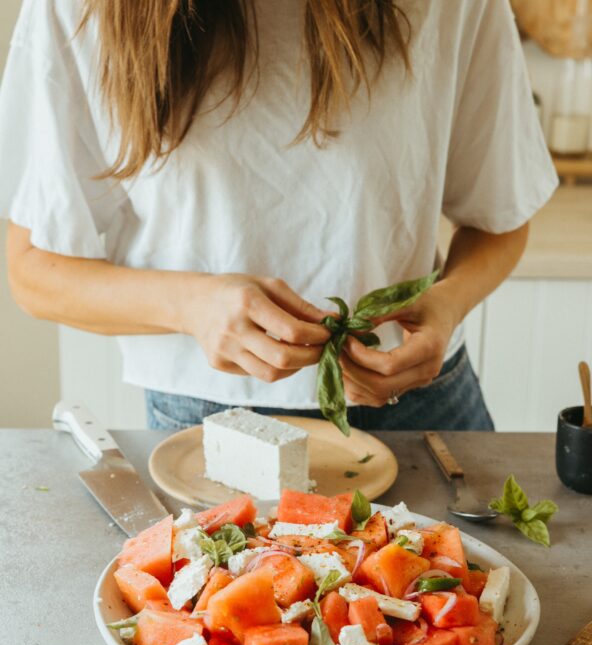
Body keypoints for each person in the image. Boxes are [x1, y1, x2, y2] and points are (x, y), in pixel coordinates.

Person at [1, 0, 558, 432]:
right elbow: (33, 270)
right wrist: (193, 306)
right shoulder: (81, 11)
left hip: (422, 408)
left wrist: (447, 303)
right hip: (207, 423)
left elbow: (499, 217)